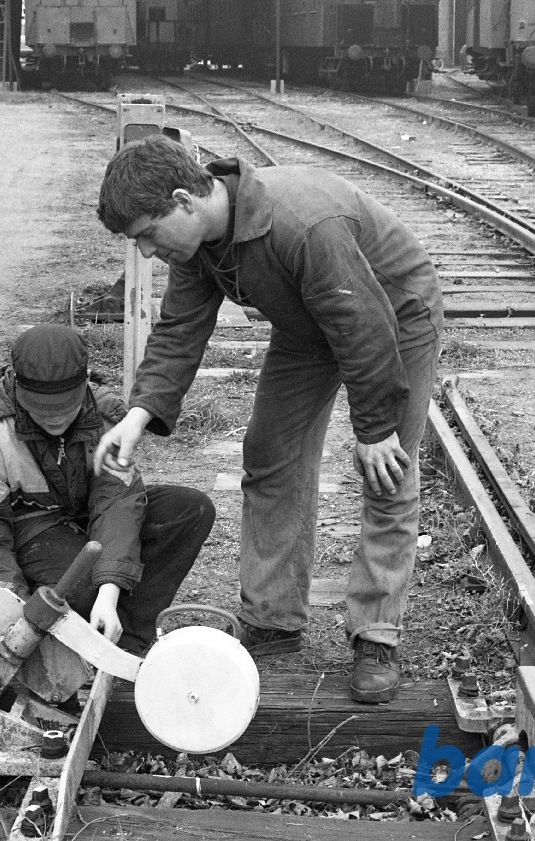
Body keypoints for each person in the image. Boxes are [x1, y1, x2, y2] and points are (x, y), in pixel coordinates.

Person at [93, 136, 445, 704]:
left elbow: (361, 324)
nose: (149, 252)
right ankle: (273, 620)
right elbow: (179, 330)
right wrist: (138, 414)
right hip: (309, 325)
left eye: (148, 234)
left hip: (393, 319)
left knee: (387, 471)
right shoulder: (199, 244)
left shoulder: (302, 223)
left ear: (183, 200)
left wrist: (376, 429)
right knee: (270, 454)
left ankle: (376, 634)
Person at [0, 324, 215, 655]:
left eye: (65, 406)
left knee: (189, 510)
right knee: (81, 587)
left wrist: (109, 590)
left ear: (84, 382)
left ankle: (123, 641)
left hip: (89, 519)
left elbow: (117, 504)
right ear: (18, 386)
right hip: (32, 532)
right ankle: (84, 631)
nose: (55, 418)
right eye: (42, 408)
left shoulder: (105, 416)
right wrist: (17, 618)